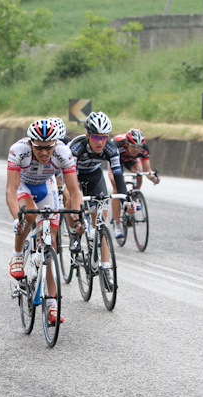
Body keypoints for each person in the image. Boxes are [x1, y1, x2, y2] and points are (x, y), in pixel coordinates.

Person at [6, 119, 84, 323]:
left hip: (46, 186)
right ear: (30, 144)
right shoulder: (18, 150)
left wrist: (77, 217)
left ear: (55, 144)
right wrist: (18, 218)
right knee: (29, 214)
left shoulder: (63, 152)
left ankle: (51, 302)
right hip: (24, 185)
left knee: (52, 242)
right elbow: (11, 190)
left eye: (48, 148)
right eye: (39, 148)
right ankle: (16, 255)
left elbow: (74, 191)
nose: (44, 153)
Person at [65, 111, 133, 288]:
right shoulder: (76, 148)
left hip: (95, 177)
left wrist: (126, 200)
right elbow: (73, 185)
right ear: (87, 135)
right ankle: (74, 233)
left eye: (104, 137)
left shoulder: (111, 149)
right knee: (69, 197)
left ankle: (106, 268)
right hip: (75, 176)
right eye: (96, 137)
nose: (100, 142)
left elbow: (119, 176)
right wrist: (77, 211)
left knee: (100, 221)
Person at [110, 128, 160, 238]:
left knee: (138, 172)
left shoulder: (144, 149)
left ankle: (135, 196)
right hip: (116, 160)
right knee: (116, 189)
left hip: (130, 161)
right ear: (127, 143)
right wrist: (115, 181)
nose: (136, 150)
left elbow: (147, 170)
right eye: (133, 146)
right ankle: (117, 224)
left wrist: (153, 178)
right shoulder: (117, 145)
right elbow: (111, 171)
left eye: (139, 147)